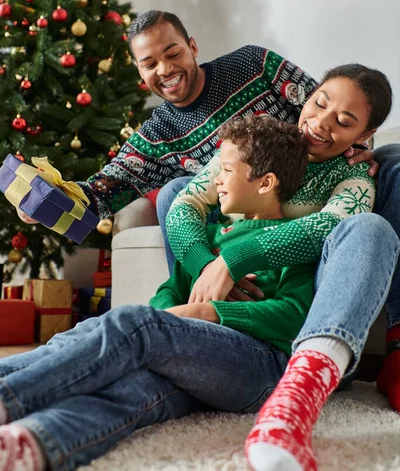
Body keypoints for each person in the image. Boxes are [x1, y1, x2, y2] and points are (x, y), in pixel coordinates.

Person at [0, 117, 320, 471]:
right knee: (136, 386)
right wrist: (173, 319)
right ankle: (31, 442)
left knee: (133, 323)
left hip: (260, 369)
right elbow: (168, 294)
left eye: (226, 169)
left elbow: (293, 318)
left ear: (266, 183)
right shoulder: (209, 240)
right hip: (196, 363)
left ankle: (8, 399)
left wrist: (208, 314)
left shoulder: (292, 243)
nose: (216, 179)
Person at [162, 64, 398, 471]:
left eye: (343, 122)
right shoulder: (262, 143)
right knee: (172, 192)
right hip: (233, 292)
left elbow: (330, 224)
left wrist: (235, 259)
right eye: (319, 103)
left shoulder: (356, 171)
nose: (320, 124)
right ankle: (196, 325)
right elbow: (185, 204)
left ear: (363, 137)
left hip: (296, 304)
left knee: (370, 226)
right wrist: (208, 266)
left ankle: (309, 376)